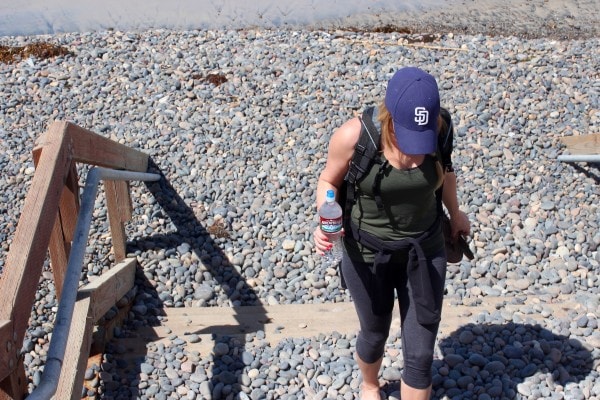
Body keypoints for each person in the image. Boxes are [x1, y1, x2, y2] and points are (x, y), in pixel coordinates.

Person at [313, 66, 470, 400]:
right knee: (374, 333)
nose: (414, 152)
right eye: (406, 136)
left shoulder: (441, 128)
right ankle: (370, 384)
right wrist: (326, 220)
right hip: (366, 253)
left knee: (421, 354)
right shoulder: (354, 137)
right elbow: (328, 181)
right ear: (388, 116)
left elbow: (448, 171)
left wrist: (456, 214)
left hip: (424, 249)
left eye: (421, 138)